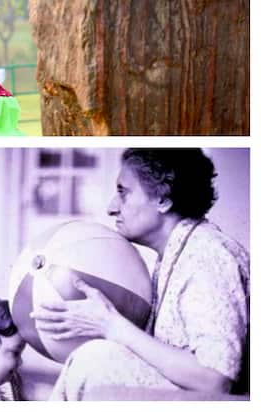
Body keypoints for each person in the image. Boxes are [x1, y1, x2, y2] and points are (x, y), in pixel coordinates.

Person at [31, 149, 250, 400]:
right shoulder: (176, 252)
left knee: (94, 361)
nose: (111, 207)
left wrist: (112, 325)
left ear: (163, 200)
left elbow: (215, 379)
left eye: (123, 192)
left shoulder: (208, 254)